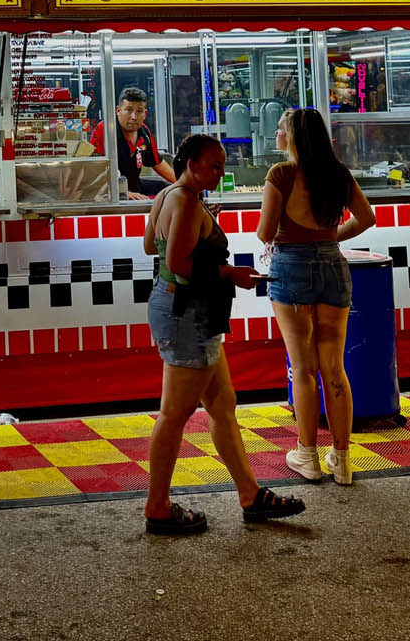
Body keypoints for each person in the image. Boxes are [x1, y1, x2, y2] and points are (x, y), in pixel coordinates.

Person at [141, 134, 306, 532]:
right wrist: (229, 273)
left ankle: (250, 495)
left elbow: (152, 246)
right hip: (188, 315)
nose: (220, 172)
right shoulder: (182, 200)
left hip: (183, 310)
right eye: (214, 165)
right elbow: (180, 264)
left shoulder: (169, 196)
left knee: (223, 405)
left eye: (222, 165)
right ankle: (157, 508)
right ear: (191, 163)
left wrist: (200, 224)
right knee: (173, 414)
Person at [259, 107, 377, 486]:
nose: (277, 133)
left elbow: (265, 232)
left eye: (281, 128)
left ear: (293, 137)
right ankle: (342, 460)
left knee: (304, 370)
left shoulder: (281, 174)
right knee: (334, 368)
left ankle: (306, 455)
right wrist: (329, 238)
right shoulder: (337, 173)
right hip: (333, 269)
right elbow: (366, 218)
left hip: (291, 270)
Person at [92, 86, 176, 199]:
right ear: (118, 111)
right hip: (108, 191)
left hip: (136, 187)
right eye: (129, 110)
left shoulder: (144, 132)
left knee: (172, 189)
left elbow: (157, 163)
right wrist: (123, 193)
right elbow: (94, 172)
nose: (134, 117)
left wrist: (182, 183)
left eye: (139, 111)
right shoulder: (105, 130)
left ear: (145, 114)